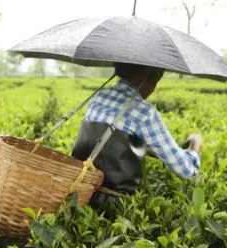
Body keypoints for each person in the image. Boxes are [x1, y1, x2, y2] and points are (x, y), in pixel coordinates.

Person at [71, 62, 202, 218]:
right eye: (155, 80)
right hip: (115, 208)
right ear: (144, 78)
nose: (152, 89)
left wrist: (145, 148)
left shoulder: (98, 97)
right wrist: (195, 145)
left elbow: (108, 142)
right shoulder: (144, 112)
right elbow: (185, 170)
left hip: (77, 193)